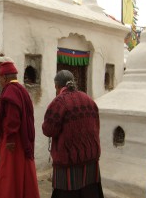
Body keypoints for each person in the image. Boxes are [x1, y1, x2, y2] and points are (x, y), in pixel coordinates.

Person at [42, 70, 104, 198]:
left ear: (57, 86)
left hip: (68, 162)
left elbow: (48, 129)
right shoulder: (88, 99)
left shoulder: (59, 102)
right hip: (90, 160)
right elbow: (96, 126)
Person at [0, 61, 40, 198]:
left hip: (13, 142)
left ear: (5, 77)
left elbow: (12, 118)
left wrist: (10, 139)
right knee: (22, 170)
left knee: (9, 172)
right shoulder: (22, 90)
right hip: (22, 139)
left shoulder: (10, 91)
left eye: (0, 78)